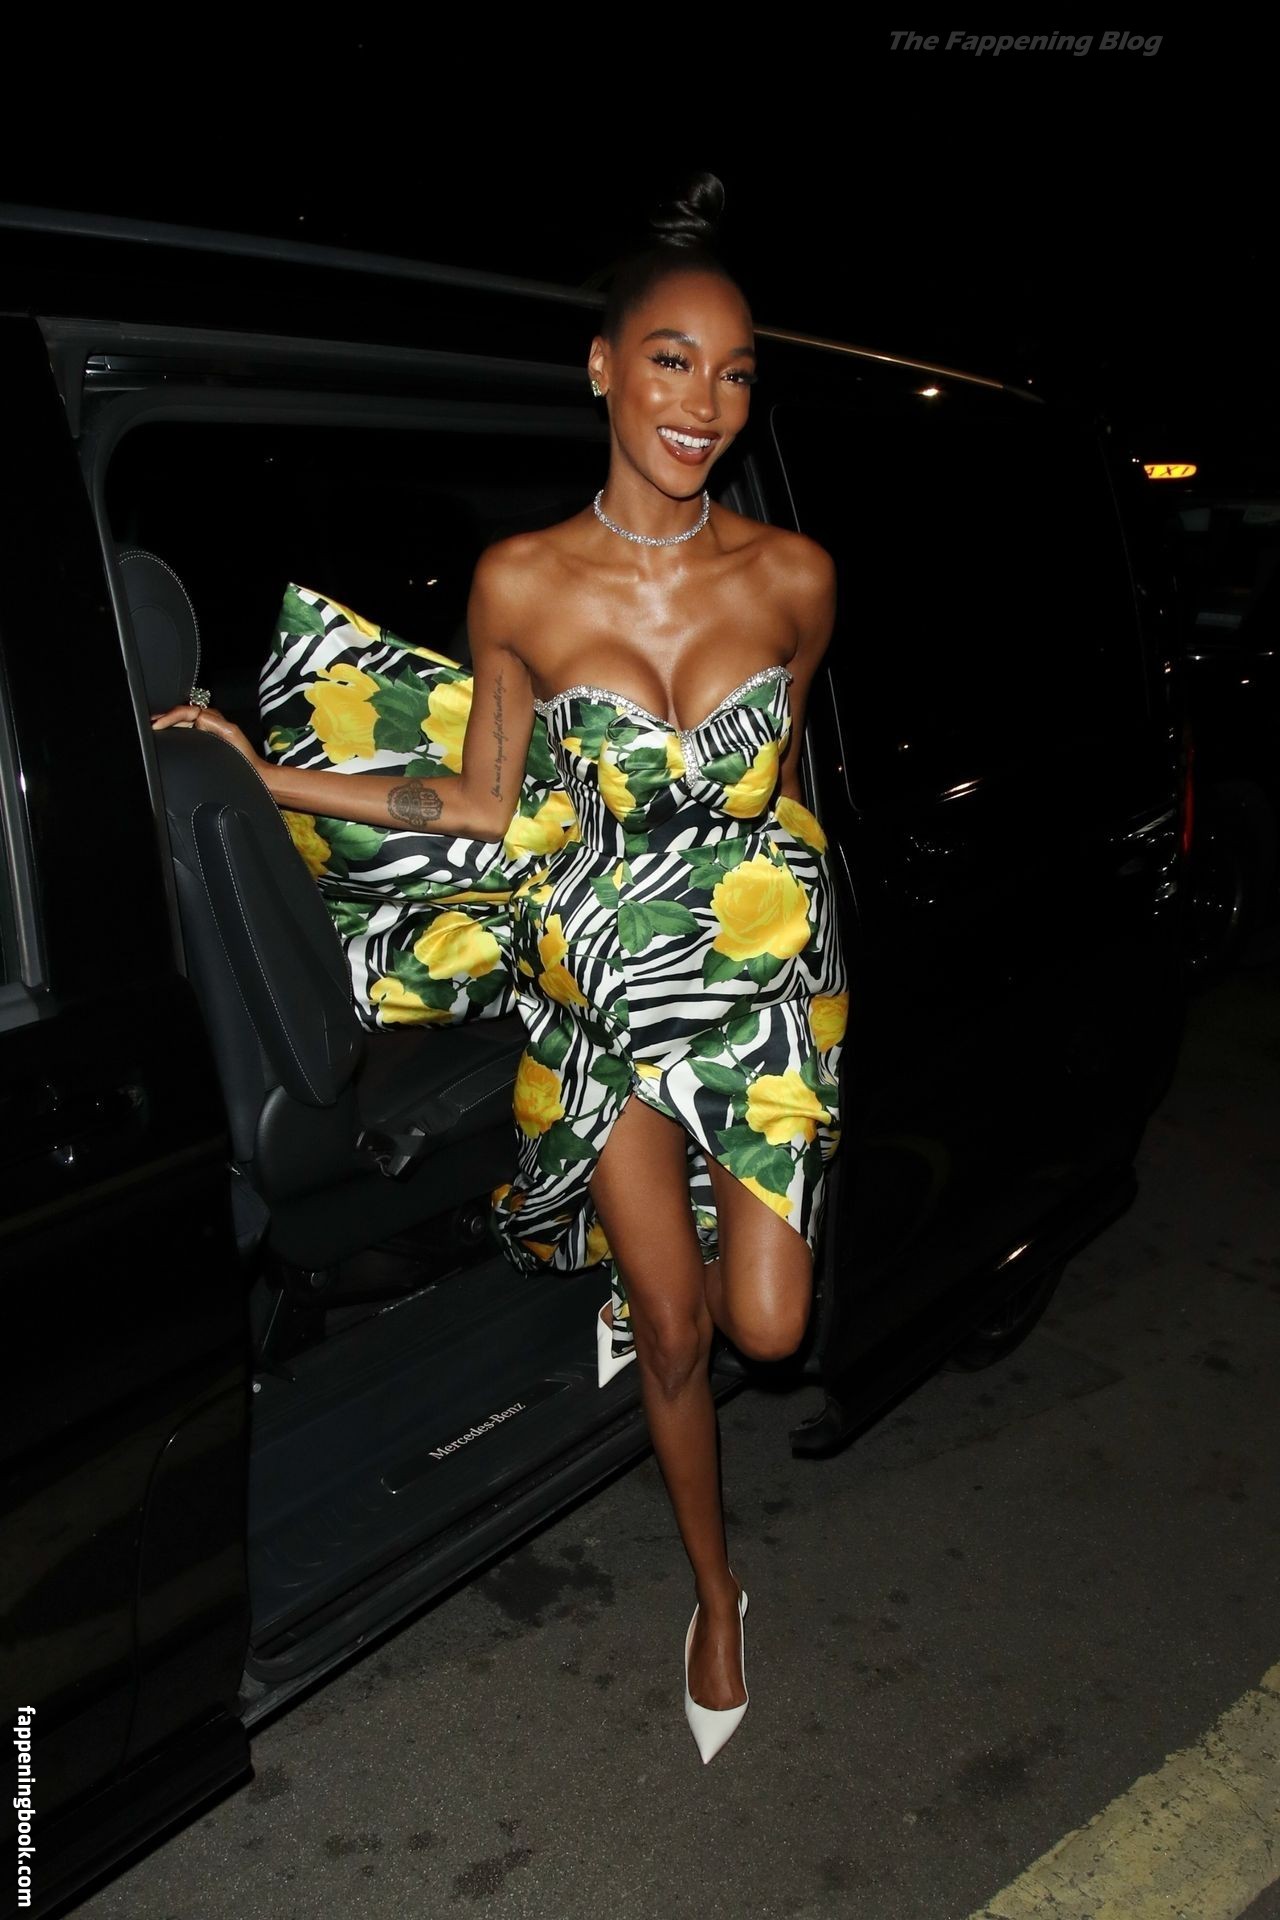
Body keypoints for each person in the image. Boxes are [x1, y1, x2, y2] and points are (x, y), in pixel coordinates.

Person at [153, 170, 847, 1765]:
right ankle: (717, 1592)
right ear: (603, 367)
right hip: (605, 992)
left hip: (754, 996)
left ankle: (681, 1254)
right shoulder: (521, 582)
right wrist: (261, 773)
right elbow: (474, 801)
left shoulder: (797, 578)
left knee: (765, 1327)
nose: (704, 404)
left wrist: (809, 981)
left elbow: (785, 792)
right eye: (670, 360)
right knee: (674, 1332)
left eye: (736, 374)